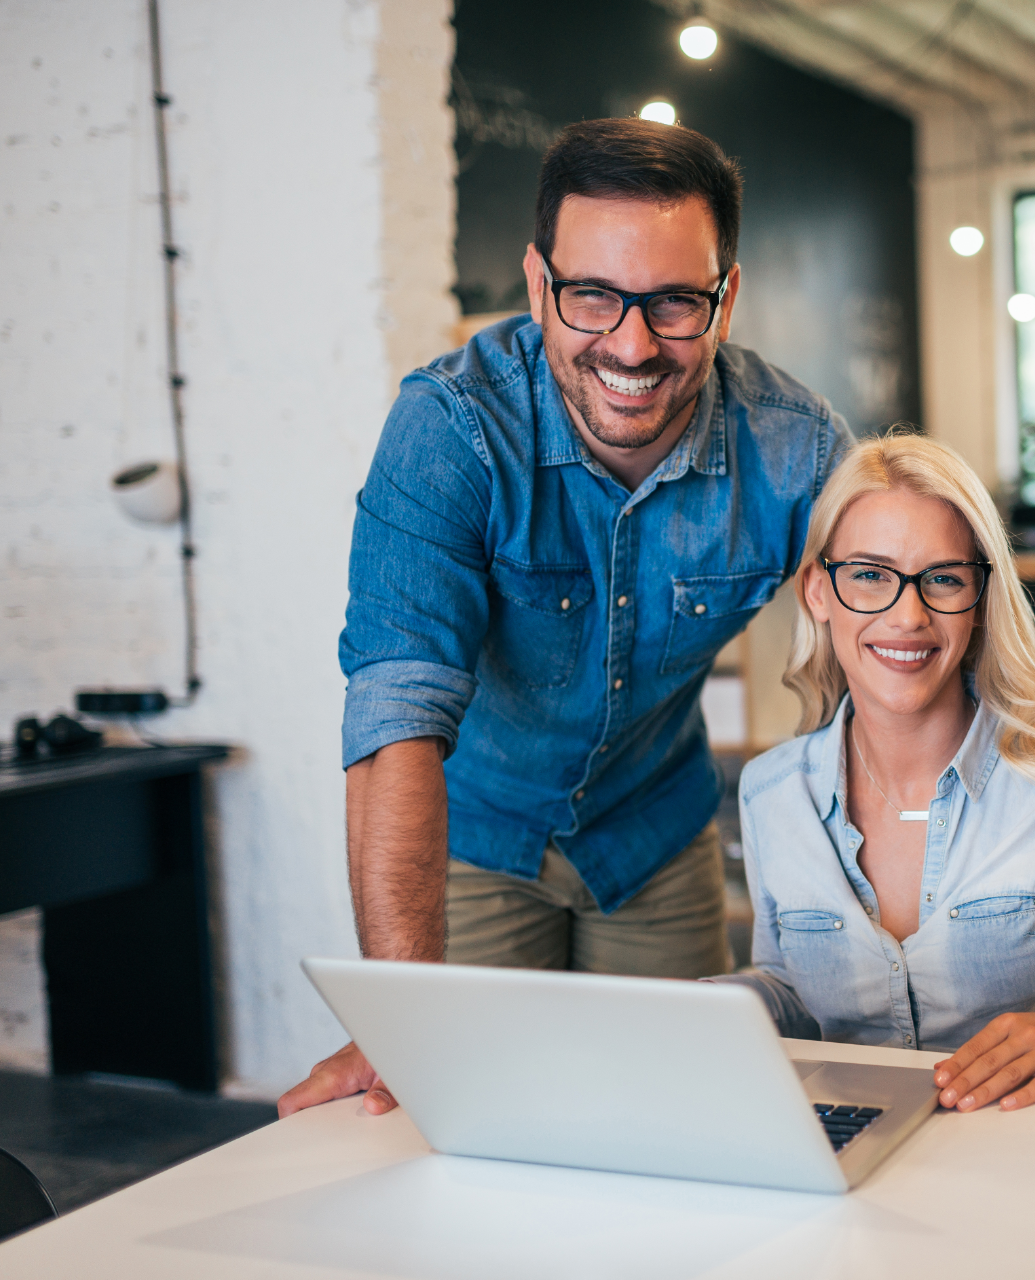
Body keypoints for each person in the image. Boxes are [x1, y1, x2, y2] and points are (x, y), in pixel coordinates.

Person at [278, 118, 852, 1117]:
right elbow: (394, 718)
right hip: (472, 835)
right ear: (540, 284)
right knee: (467, 1125)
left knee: (679, 1125)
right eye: (592, 296)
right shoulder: (451, 429)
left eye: (675, 302)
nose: (631, 345)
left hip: (654, 834)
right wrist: (403, 1016)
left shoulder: (795, 449)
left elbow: (921, 642)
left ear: (726, 297)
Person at [711, 433, 1035, 1112]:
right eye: (870, 575)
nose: (907, 616)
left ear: (979, 598)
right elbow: (793, 992)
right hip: (856, 1153)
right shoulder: (772, 794)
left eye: (943, 579)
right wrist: (706, 1006)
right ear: (818, 592)